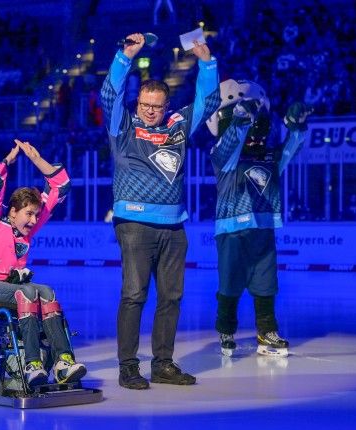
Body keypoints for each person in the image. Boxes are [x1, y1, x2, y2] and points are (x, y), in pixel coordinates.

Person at [100, 32, 221, 389]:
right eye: (145, 105)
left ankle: (163, 364)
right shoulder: (122, 125)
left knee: (171, 297)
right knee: (134, 295)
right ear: (137, 102)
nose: (150, 111)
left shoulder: (178, 126)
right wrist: (126, 57)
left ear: (166, 106)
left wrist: (207, 62)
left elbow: (208, 101)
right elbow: (109, 94)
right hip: (134, 223)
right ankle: (128, 366)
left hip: (174, 225)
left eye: (157, 106)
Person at [0, 139, 86, 388]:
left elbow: (62, 187)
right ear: (13, 211)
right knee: (27, 291)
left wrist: (37, 160)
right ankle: (31, 364)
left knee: (47, 291)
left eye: (36, 215)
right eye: (29, 213)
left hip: (6, 288)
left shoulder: (27, 229)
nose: (34, 219)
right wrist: (7, 162)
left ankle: (62, 362)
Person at [207, 79, 314, 358]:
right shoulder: (224, 157)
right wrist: (241, 118)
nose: (257, 139)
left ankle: (266, 332)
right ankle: (226, 330)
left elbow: (292, 147)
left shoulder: (270, 156)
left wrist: (296, 126)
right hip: (232, 230)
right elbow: (230, 145)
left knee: (266, 285)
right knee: (230, 285)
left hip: (264, 228)